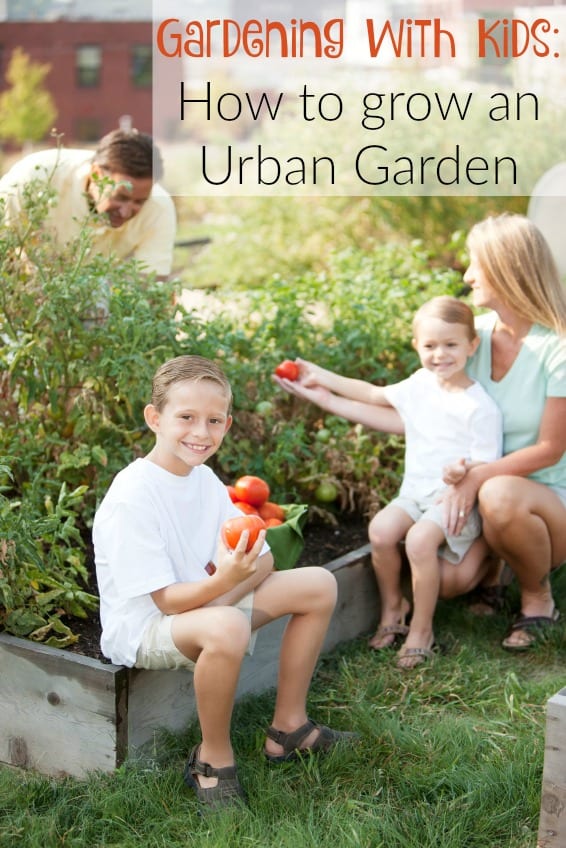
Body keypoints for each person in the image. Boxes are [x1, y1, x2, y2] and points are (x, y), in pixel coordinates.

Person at [92, 354, 356, 810]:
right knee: (227, 626)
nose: (201, 432)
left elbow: (265, 557)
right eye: (186, 417)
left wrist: (224, 593)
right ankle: (211, 758)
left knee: (318, 583)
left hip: (199, 608)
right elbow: (168, 602)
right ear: (154, 418)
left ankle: (289, 728)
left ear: (228, 425)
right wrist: (226, 591)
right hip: (147, 625)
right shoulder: (133, 495)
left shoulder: (204, 480)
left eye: (214, 420)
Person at [275, 296, 502, 668]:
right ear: (417, 346)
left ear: (471, 346)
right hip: (415, 494)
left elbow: (486, 464)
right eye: (429, 346)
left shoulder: (479, 407)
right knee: (380, 531)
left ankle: (422, 629)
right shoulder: (420, 384)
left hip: (451, 501)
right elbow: (371, 394)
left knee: (418, 540)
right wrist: (320, 381)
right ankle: (393, 607)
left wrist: (462, 473)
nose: (440, 354)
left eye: (451, 345)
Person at [0, 129, 176, 280]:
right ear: (96, 173)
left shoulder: (159, 208)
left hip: (93, 293)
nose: (125, 212)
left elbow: (152, 287)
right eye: (120, 197)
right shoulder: (32, 181)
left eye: (139, 202)